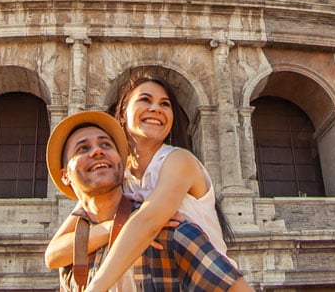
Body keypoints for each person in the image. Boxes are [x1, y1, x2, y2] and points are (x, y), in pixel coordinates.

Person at [46, 77, 248, 292]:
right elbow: (54, 253)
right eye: (146, 100)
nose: (156, 109)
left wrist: (95, 289)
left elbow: (148, 222)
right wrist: (113, 226)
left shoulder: (180, 160)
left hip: (204, 275)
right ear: (122, 113)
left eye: (165, 104)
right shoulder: (116, 175)